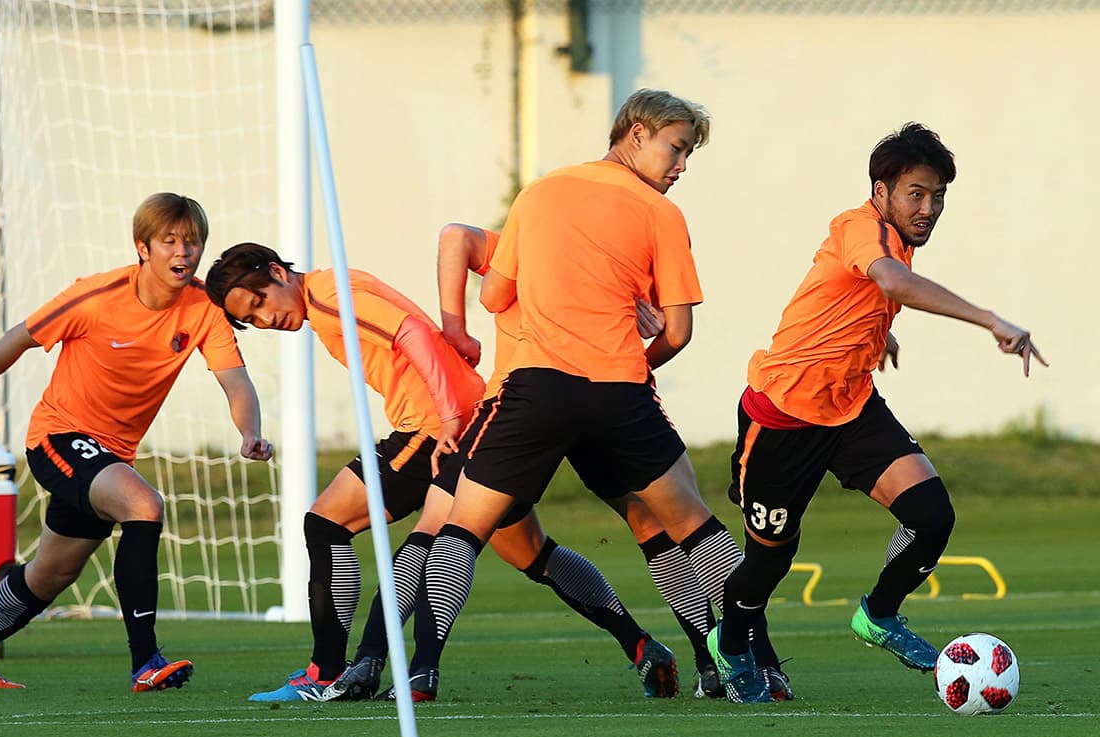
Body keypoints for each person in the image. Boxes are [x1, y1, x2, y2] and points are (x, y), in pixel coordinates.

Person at [400, 88, 770, 702]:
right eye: (677, 150)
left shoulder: (538, 194)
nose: (681, 166)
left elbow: (493, 297)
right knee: (688, 528)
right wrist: (633, 354)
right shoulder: (661, 214)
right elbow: (677, 332)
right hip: (616, 395)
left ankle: (423, 671)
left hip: (536, 389)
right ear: (637, 133)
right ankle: (739, 663)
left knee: (461, 530)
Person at [328, 221, 787, 704]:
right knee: (608, 532)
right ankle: (714, 658)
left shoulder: (569, 249)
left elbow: (456, 241)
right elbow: (456, 239)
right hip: (577, 400)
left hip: (530, 403)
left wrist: (458, 330)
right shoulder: (557, 247)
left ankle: (405, 670)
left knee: (455, 528)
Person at [204, 242, 672, 702]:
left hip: (434, 427)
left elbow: (411, 332)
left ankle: (328, 671)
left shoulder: (327, 298)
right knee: (532, 552)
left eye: (260, 301)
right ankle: (640, 645)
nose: (265, 319)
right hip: (479, 417)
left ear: (277, 272)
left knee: (327, 521)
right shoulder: (333, 287)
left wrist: (447, 415)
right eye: (252, 319)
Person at [709, 123, 1048, 702]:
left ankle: (879, 614)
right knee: (771, 560)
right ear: (880, 191)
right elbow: (891, 279)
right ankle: (731, 642)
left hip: (851, 406)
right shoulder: (859, 227)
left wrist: (873, 334)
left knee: (932, 515)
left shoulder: (897, 240)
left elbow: (862, 292)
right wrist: (991, 319)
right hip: (784, 415)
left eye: (938, 195)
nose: (929, 207)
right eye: (915, 193)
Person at [0, 192, 274, 691]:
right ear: (143, 247)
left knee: (51, 573)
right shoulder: (94, 296)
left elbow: (235, 381)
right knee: (143, 504)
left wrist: (250, 432)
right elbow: (19, 337)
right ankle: (146, 661)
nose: (183, 252)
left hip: (109, 455)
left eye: (192, 242)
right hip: (57, 437)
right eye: (170, 241)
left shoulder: (203, 307)